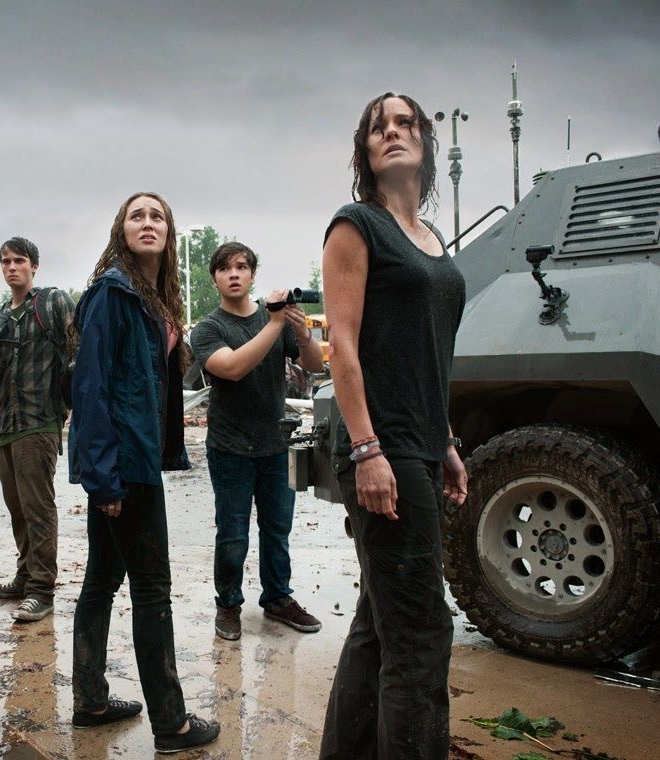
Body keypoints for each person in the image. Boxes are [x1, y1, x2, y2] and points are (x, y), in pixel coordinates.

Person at [319, 93, 469, 760]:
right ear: (366, 150)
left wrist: (446, 441)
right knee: (421, 634)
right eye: (379, 127)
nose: (393, 132)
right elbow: (343, 348)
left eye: (406, 122)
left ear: (426, 142)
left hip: (420, 444)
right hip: (382, 448)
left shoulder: (432, 238)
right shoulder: (357, 225)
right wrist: (366, 449)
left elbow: (425, 354)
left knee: (381, 626)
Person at [68, 191, 220, 754]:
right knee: (153, 591)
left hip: (129, 461)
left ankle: (90, 701)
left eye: (158, 216)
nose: (148, 222)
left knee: (102, 580)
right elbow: (91, 387)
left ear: (169, 232)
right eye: (138, 215)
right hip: (124, 468)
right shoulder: (114, 293)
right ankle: (172, 725)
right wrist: (104, 478)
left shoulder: (151, 297)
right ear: (122, 229)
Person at [189, 242, 327, 641]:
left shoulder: (276, 322)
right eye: (225, 268)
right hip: (230, 448)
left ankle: (278, 598)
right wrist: (275, 324)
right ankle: (229, 604)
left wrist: (300, 332)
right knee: (233, 534)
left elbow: (314, 365)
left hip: (275, 444)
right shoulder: (209, 329)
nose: (234, 274)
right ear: (215, 278)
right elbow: (232, 368)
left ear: (252, 274)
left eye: (242, 267)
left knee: (277, 530)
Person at [0, 237, 75, 623]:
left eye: (19, 261)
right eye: (5, 262)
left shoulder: (51, 302)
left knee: (38, 509)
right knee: (17, 509)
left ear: (34, 265)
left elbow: (79, 346)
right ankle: (24, 577)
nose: (11, 267)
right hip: (5, 422)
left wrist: (74, 400)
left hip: (39, 420)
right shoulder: (1, 316)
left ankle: (41, 590)